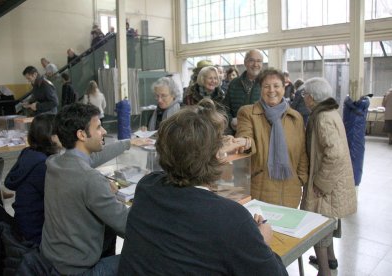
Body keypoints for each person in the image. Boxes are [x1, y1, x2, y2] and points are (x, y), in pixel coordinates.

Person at [117, 99, 288, 276]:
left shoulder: (147, 187)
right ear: (218, 155)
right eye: (220, 141)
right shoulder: (231, 218)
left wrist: (213, 150)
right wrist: (263, 243)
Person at [40, 103, 151, 275]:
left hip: (51, 259)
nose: (105, 132)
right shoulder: (90, 179)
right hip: (76, 270)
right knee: (148, 256)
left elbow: (89, 159)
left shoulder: (55, 162)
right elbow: (128, 225)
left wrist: (128, 143)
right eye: (99, 127)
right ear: (82, 134)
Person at [300, 77, 357, 276]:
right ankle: (330, 260)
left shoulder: (322, 117)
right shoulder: (330, 112)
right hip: (335, 180)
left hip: (327, 183)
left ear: (312, 97)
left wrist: (320, 183)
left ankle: (324, 271)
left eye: (305, 94)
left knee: (318, 224)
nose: (303, 98)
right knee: (326, 222)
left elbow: (335, 154)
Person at [236, 68, 308, 208]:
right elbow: (246, 136)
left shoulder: (295, 117)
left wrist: (300, 179)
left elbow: (302, 153)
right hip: (260, 190)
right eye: (266, 86)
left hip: (290, 191)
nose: (271, 90)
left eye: (276, 86)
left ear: (284, 87)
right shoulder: (247, 113)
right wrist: (245, 142)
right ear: (260, 89)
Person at [4, 114, 61, 245]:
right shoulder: (42, 165)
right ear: (51, 137)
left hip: (22, 227)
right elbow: (63, 198)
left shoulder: (29, 153)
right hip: (36, 235)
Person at [222, 49, 263, 134]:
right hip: (237, 133)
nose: (255, 64)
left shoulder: (266, 83)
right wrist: (230, 121)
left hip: (259, 132)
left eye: (259, 61)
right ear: (245, 62)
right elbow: (225, 107)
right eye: (252, 60)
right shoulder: (234, 83)